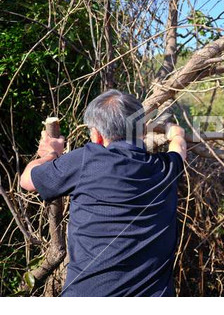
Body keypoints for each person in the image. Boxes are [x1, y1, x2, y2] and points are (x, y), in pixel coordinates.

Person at [20, 89, 186, 297]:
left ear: (97, 135)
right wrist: (175, 133)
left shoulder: (85, 160)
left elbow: (27, 180)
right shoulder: (166, 168)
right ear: (142, 130)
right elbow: (179, 147)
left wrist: (51, 153)